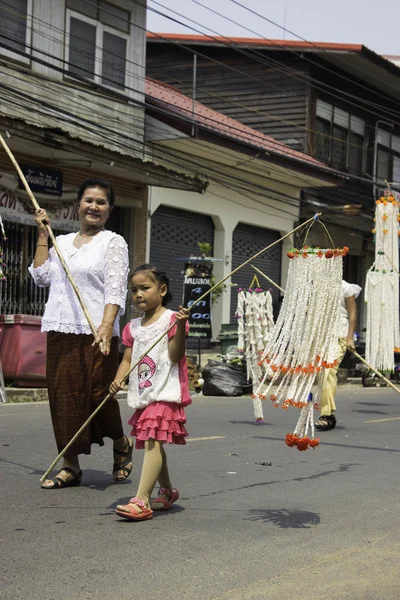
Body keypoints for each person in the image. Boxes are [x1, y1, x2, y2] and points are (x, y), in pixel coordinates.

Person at [29, 177, 133, 488]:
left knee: (98, 394)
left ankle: (120, 442)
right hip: (61, 329)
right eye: (89, 200)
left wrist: (105, 326)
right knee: (63, 397)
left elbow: (116, 289)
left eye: (101, 202)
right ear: (79, 205)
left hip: (96, 331)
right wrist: (43, 235)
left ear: (109, 210)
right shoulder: (60, 243)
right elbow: (40, 276)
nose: (94, 206)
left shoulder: (113, 242)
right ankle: (70, 465)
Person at [109, 264, 191, 521]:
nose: (138, 294)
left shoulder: (171, 320)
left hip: (165, 389)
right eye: (134, 290)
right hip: (145, 390)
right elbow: (128, 359)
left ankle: (142, 499)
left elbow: (176, 355)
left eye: (145, 288)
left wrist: (180, 328)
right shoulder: (132, 327)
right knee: (153, 441)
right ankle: (167, 490)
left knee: (153, 439)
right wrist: (118, 378)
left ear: (162, 289)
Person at [315, 279, 361, 431]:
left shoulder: (346, 288)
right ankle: (329, 414)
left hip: (340, 336)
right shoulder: (318, 287)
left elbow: (353, 314)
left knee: (329, 371)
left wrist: (349, 338)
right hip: (322, 337)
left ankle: (326, 415)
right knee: (322, 373)